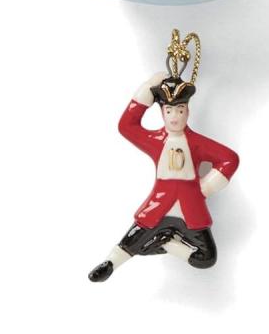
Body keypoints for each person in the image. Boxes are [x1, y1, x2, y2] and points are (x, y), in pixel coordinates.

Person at [88, 69, 239, 282]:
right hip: (159, 204)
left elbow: (229, 159)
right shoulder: (156, 141)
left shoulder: (197, 143)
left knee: (206, 258)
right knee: (134, 243)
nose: (175, 117)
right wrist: (148, 90)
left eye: (180, 110)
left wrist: (207, 187)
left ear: (187, 111)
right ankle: (110, 263)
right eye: (169, 110)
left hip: (191, 208)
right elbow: (126, 126)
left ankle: (167, 243)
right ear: (162, 113)